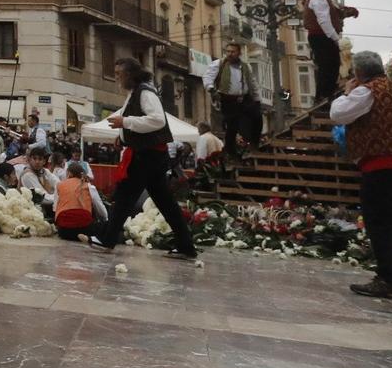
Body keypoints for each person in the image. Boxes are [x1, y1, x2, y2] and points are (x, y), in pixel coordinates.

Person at [332, 51, 392, 301]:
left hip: (382, 168)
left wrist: (347, 92)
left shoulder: (366, 91)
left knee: (380, 224)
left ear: (358, 72)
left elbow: (338, 114)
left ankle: (388, 279)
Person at [90, 57, 198, 260]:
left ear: (130, 74)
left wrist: (126, 122)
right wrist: (122, 137)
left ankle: (107, 238)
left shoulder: (145, 93)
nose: (116, 78)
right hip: (149, 155)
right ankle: (186, 245)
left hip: (147, 156)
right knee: (165, 202)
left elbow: (157, 120)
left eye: (119, 74)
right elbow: (137, 123)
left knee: (124, 196)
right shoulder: (135, 93)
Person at [304, 0, 356, 101]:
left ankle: (326, 94)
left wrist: (348, 11)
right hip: (321, 37)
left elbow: (336, 12)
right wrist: (336, 39)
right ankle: (324, 95)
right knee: (328, 66)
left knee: (330, 65)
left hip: (322, 36)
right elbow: (324, 21)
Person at [205, 41, 256, 149]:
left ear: (239, 53)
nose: (230, 54)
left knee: (249, 121)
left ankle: (246, 143)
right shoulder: (219, 64)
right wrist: (211, 89)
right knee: (231, 124)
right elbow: (208, 77)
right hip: (227, 99)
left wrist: (256, 97)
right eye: (228, 51)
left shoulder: (246, 66)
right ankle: (230, 148)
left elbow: (252, 83)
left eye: (233, 51)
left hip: (243, 99)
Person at [54, 161, 111, 241]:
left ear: (69, 173)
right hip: (84, 227)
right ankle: (88, 238)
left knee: (67, 232)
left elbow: (55, 208)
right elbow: (100, 208)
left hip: (64, 230)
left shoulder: (59, 185)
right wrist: (105, 220)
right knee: (107, 229)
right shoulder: (88, 186)